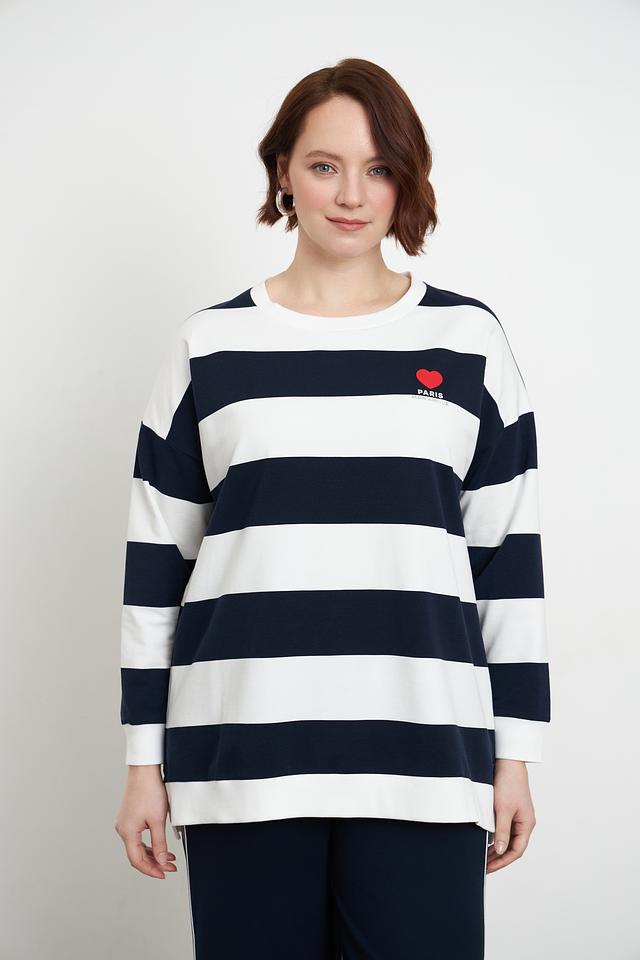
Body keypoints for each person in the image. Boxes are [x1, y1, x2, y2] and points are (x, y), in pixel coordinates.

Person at [114, 57, 551, 959]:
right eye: (324, 165)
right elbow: (156, 570)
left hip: (426, 763)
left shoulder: (468, 342)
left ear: (406, 180)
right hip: (241, 759)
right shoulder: (209, 347)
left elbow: (508, 563)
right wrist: (141, 764)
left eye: (379, 168)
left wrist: (515, 757)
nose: (352, 195)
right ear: (283, 171)